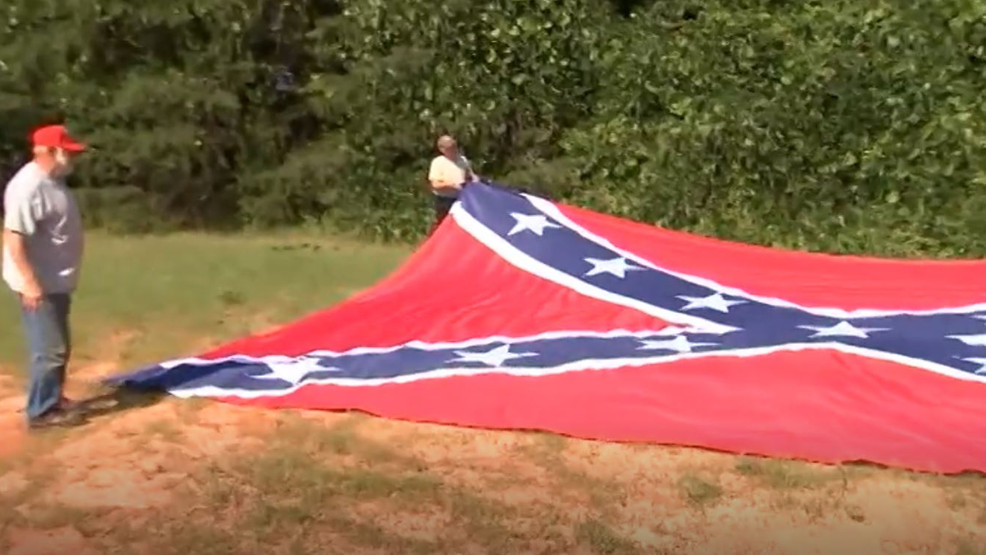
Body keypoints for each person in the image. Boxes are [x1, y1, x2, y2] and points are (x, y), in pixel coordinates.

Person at [2, 124, 88, 429]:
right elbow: (13, 238)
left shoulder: (53, 181)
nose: (73, 158)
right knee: (49, 350)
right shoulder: (29, 187)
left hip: (56, 279)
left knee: (59, 345)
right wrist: (30, 284)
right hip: (39, 284)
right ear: (52, 152)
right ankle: (41, 413)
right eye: (69, 152)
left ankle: (54, 397)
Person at [426, 134, 478, 233]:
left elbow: (470, 175)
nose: (454, 149)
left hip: (462, 199)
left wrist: (474, 179)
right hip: (445, 200)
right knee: (444, 227)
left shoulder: (462, 160)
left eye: (454, 146)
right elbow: (435, 184)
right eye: (450, 148)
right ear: (442, 149)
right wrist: (452, 184)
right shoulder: (438, 162)